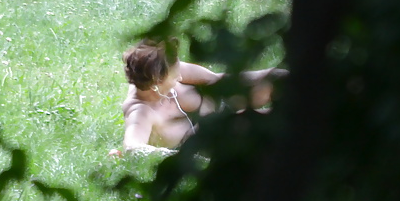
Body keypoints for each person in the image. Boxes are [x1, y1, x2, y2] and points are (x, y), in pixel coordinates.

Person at [111, 38, 286, 156]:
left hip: (224, 105)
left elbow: (219, 81)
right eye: (175, 76)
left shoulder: (165, 67)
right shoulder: (141, 111)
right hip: (216, 140)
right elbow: (133, 147)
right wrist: (174, 155)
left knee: (279, 78)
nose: (180, 77)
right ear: (157, 82)